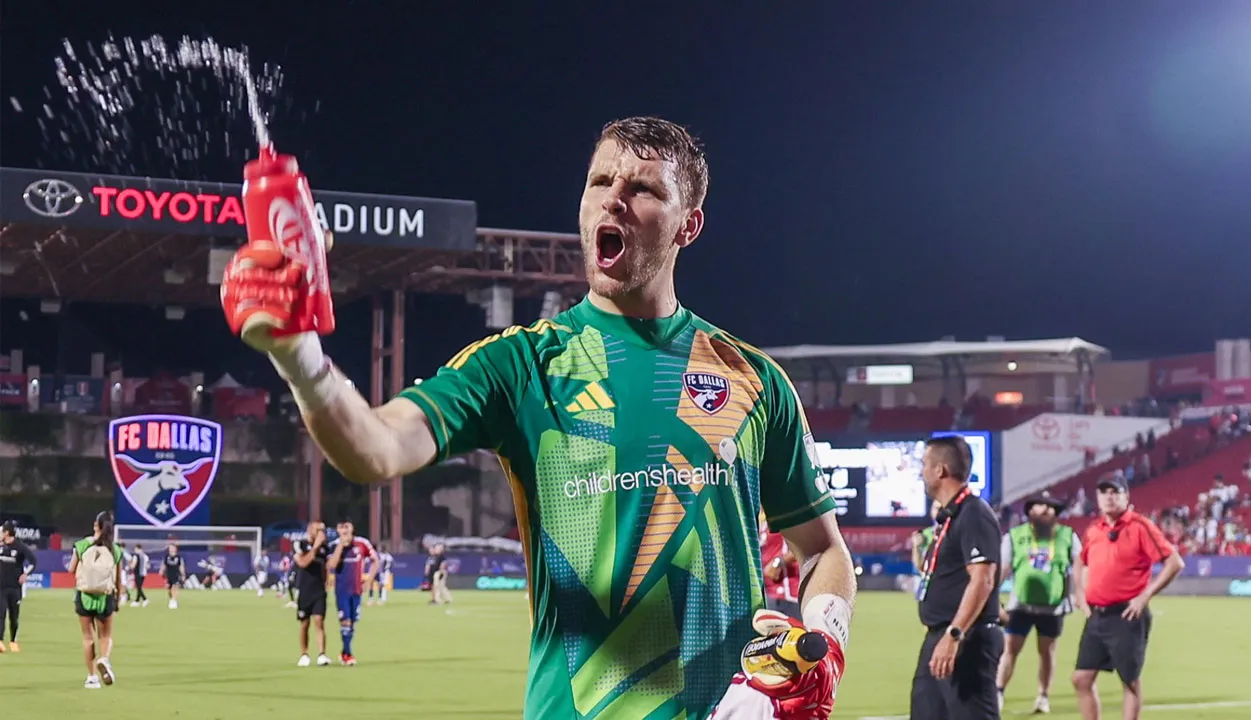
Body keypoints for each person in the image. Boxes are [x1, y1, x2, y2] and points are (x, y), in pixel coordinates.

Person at [221, 116, 856, 719]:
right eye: (600, 181)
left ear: (687, 226)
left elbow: (824, 548)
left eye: (642, 189)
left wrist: (826, 643)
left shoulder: (754, 378)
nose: (613, 199)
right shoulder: (519, 366)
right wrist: (298, 354)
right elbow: (375, 448)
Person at [1072, 477, 1185, 720]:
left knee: (1129, 681)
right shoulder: (1094, 530)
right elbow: (1080, 562)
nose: (1109, 497)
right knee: (1081, 678)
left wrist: (1144, 597)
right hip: (1097, 615)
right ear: (1098, 498)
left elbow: (1174, 562)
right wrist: (1080, 594)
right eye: (1104, 492)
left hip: (1127, 614)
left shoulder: (1140, 526)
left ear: (1126, 497)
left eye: (1115, 492)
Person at [910, 436, 1002, 720]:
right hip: (941, 636)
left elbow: (983, 579)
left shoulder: (974, 513)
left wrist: (954, 634)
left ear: (940, 470)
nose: (922, 471)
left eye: (925, 464)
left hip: (965, 640)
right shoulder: (951, 516)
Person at [995, 492, 1079, 714]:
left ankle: (1043, 696)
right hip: (1020, 605)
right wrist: (992, 595)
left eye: (1049, 507)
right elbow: (1004, 569)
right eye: (1038, 506)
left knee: (1047, 652)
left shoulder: (1068, 536)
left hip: (1054, 607)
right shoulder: (1014, 536)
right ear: (1029, 511)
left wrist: (1079, 595)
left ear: (1056, 513)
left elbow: (1078, 567)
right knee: (1010, 649)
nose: (1044, 510)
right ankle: (999, 692)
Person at [68, 511, 125, 689]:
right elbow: (118, 579)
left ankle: (91, 676)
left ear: (95, 525)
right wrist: (117, 599)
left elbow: (71, 569)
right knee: (105, 635)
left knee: (87, 637)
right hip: (104, 596)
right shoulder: (114, 549)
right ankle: (104, 659)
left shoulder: (83, 545)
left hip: (84, 595)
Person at [328, 519, 377, 666]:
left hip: (357, 589)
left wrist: (368, 581)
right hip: (342, 590)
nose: (345, 531)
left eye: (347, 527)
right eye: (342, 528)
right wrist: (341, 546)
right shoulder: (334, 545)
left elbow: (375, 560)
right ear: (338, 530)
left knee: (352, 623)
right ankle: (348, 654)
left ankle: (344, 651)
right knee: (346, 621)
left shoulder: (362, 543)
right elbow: (332, 565)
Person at [292, 520, 333, 667]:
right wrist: (315, 547)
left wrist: (327, 578)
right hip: (304, 589)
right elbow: (303, 563)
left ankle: (322, 654)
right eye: (319, 530)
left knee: (319, 621)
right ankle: (304, 654)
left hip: (319, 590)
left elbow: (325, 566)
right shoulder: (299, 544)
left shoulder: (325, 548)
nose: (323, 533)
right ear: (311, 530)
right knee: (305, 623)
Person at [0, 520, 38, 653]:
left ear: (7, 532)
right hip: (1, 588)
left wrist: (26, 574)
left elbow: (33, 561)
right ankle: (0, 641)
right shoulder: (1, 545)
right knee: (1, 613)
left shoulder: (20, 547)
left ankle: (13, 641)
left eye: (2, 531)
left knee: (14, 616)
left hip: (15, 588)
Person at [759, 512, 800, 618]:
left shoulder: (785, 514)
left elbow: (804, 547)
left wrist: (778, 563)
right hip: (769, 594)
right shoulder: (761, 519)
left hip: (789, 595)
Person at [161, 544, 185, 609]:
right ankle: (171, 599)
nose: (171, 549)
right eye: (170, 548)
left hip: (176, 574)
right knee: (169, 589)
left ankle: (174, 600)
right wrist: (161, 571)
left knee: (175, 587)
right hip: (169, 575)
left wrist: (183, 574)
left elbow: (181, 566)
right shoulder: (166, 557)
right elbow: (164, 565)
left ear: (175, 549)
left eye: (172, 548)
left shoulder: (179, 557)